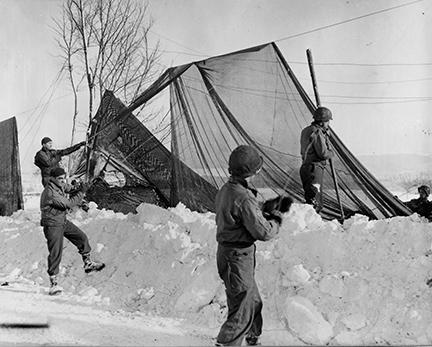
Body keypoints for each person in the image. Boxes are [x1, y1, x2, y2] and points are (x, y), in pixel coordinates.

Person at [215, 145, 283, 346]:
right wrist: (275, 219)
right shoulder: (244, 197)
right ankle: (225, 343)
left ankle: (253, 336)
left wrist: (261, 209)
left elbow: (238, 212)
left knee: (251, 301)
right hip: (237, 257)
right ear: (253, 172)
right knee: (242, 309)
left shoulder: (227, 190)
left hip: (229, 254)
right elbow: (263, 232)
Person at [40, 167, 105, 295]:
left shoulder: (59, 185)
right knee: (55, 253)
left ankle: (87, 263)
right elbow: (68, 204)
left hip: (62, 221)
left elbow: (69, 188)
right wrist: (81, 193)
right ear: (52, 179)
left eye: (64, 178)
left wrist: (81, 186)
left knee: (81, 238)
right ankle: (53, 283)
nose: (63, 181)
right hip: (52, 225)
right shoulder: (50, 193)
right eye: (60, 178)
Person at [299, 106, 334, 210]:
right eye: (327, 121)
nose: (328, 124)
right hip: (314, 169)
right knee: (315, 204)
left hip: (306, 168)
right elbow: (323, 153)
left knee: (310, 201)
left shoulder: (306, 130)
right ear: (322, 122)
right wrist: (331, 152)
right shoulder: (317, 132)